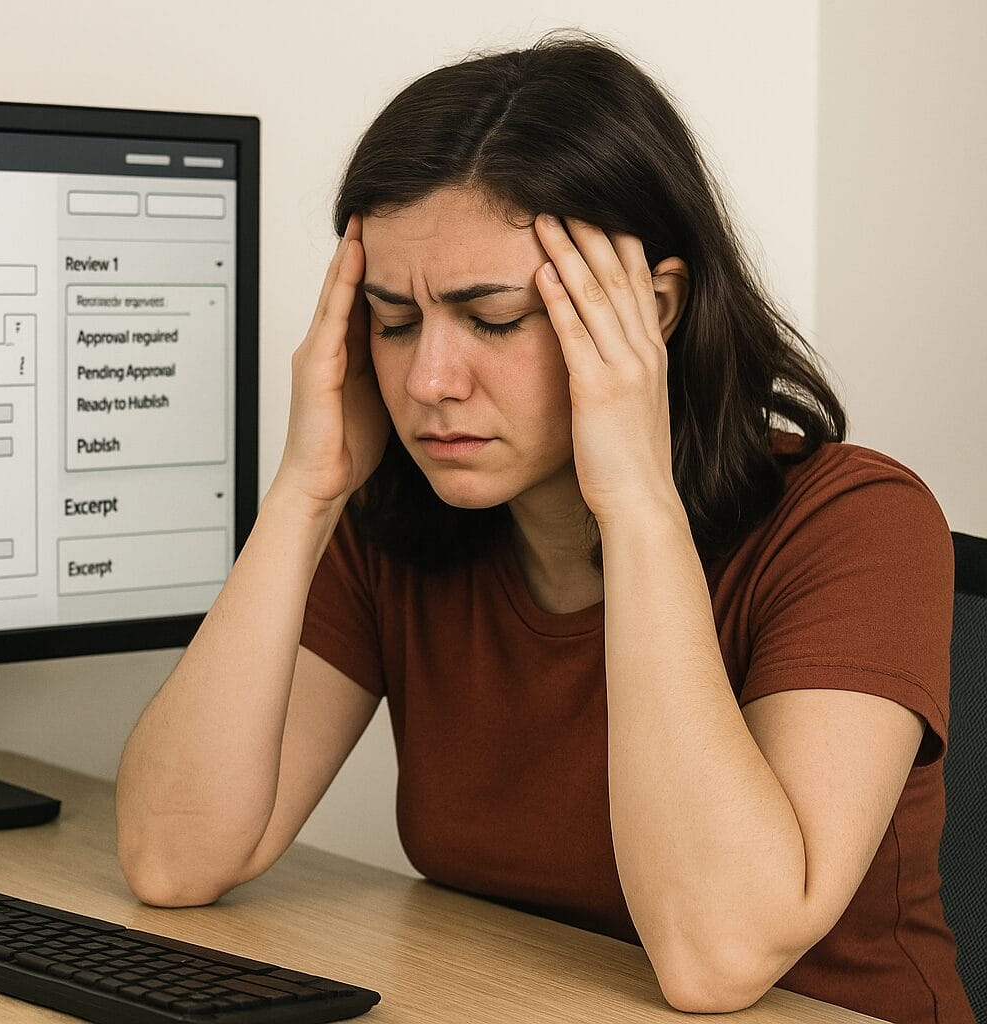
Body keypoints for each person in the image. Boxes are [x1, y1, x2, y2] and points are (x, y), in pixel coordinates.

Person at [113, 30, 970, 1023]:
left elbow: (717, 959)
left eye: (492, 318)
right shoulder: (400, 518)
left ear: (650, 311)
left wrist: (638, 499)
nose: (429, 381)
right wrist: (307, 489)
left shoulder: (857, 523)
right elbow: (173, 857)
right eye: (393, 322)